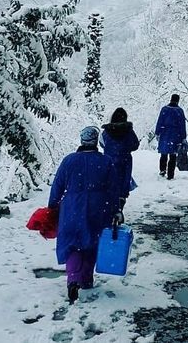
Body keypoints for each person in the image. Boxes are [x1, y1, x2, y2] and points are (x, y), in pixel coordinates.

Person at [48, 126, 123, 304]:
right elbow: (113, 189)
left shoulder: (69, 161)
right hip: (98, 208)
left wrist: (52, 205)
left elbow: (57, 185)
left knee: (72, 244)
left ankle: (73, 279)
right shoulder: (105, 161)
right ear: (96, 141)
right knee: (91, 243)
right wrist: (116, 210)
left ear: (81, 140)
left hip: (71, 207)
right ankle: (87, 279)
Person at [100, 107, 140, 202]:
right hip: (124, 159)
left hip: (109, 159)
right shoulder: (129, 131)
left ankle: (110, 200)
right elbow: (135, 145)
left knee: (109, 179)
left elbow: (102, 144)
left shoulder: (106, 132)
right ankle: (121, 199)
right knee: (123, 180)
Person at [155, 94, 187, 180]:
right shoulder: (179, 111)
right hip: (175, 135)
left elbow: (160, 121)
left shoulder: (164, 109)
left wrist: (157, 132)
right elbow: (182, 125)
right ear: (178, 100)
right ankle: (170, 174)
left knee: (164, 153)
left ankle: (162, 170)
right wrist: (183, 137)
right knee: (173, 155)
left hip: (164, 134)